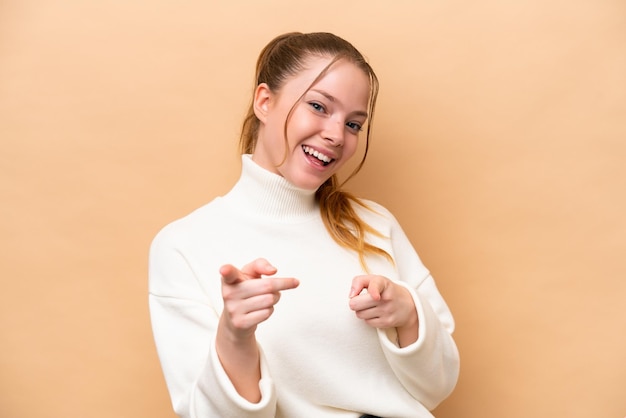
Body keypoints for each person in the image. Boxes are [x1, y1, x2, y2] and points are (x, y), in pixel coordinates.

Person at [149, 32, 459, 418]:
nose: (335, 135)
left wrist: (410, 316)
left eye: (354, 124)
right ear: (264, 101)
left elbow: (438, 387)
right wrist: (235, 336)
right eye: (318, 106)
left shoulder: (376, 224)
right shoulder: (183, 246)